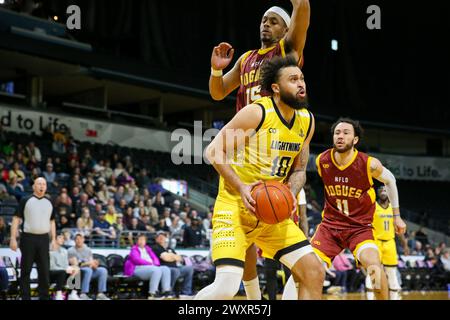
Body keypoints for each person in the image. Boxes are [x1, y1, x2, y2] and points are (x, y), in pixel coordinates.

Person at [195, 56, 324, 300]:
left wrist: (290, 192)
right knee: (226, 288)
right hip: (235, 207)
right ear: (276, 88)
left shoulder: (307, 121)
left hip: (272, 212)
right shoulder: (256, 112)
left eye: (302, 79)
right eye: (293, 79)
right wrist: (242, 187)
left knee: (314, 271)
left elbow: (298, 170)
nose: (301, 84)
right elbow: (213, 151)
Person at [209, 1, 311, 300]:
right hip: (250, 150)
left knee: (289, 233)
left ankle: (290, 292)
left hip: (281, 150)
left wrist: (300, 4)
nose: (266, 25)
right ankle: (256, 300)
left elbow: (302, 17)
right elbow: (218, 93)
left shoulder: (287, 52)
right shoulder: (246, 59)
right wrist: (217, 71)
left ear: (285, 29)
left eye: (274, 21)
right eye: (263, 20)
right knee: (246, 241)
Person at [305, 118, 407, 300]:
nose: (341, 136)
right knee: (308, 268)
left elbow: (390, 180)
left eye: (346, 133)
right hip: (330, 227)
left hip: (359, 228)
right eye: (337, 133)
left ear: (355, 140)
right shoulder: (322, 160)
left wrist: (396, 216)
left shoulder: (369, 164)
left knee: (375, 268)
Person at [10, 177, 56, 300]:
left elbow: (52, 222)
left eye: (44, 184)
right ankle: (25, 297)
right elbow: (15, 219)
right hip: (28, 239)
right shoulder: (25, 200)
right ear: (33, 186)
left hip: (44, 239)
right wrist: (13, 238)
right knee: (25, 271)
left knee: (44, 272)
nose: (41, 186)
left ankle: (44, 297)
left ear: (46, 187)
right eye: (39, 184)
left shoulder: (49, 202)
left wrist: (54, 239)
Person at [366, 185, 408, 300]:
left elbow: (399, 228)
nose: (383, 192)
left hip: (390, 242)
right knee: (374, 268)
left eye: (385, 190)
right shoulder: (372, 206)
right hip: (376, 242)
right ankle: (371, 291)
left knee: (391, 270)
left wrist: (405, 245)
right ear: (377, 193)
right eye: (381, 190)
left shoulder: (394, 209)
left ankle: (394, 290)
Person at [124, 234, 172, 299]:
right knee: (156, 270)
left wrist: (154, 263)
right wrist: (150, 263)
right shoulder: (134, 249)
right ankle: (152, 293)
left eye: (143, 240)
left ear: (145, 241)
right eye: (140, 239)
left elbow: (156, 259)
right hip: (137, 268)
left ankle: (166, 291)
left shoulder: (148, 249)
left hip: (150, 267)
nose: (141, 241)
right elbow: (137, 260)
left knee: (165, 269)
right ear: (137, 241)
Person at [67, 234, 110, 300]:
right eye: (77, 239)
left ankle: (100, 294)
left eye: (81, 239)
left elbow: (91, 261)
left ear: (83, 240)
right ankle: (83, 294)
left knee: (103, 270)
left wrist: (94, 264)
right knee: (88, 270)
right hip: (78, 271)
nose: (79, 241)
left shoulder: (88, 249)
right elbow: (75, 265)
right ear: (74, 241)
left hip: (89, 270)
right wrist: (88, 263)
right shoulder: (71, 250)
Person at [152, 231, 194, 298]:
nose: (162, 238)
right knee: (175, 271)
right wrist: (173, 257)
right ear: (156, 239)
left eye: (163, 237)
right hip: (165, 268)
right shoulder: (155, 247)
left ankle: (186, 292)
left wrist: (171, 256)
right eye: (160, 237)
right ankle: (169, 292)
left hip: (176, 267)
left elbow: (179, 258)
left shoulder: (169, 248)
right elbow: (165, 258)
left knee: (189, 268)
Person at [50, 233, 81, 300]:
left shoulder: (64, 251)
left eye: (63, 238)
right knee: (62, 272)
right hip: (52, 273)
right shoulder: (50, 250)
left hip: (63, 271)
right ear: (54, 239)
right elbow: (51, 266)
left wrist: (72, 268)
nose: (62, 240)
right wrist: (65, 269)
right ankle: (58, 294)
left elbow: (66, 264)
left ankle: (72, 293)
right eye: (60, 238)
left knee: (77, 269)